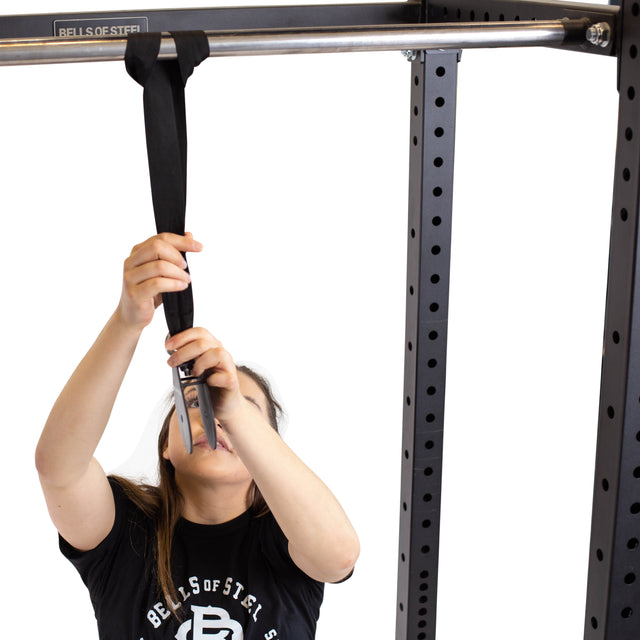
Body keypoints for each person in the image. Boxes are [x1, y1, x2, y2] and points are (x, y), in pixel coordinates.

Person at [35, 233, 359, 639]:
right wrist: (127, 321)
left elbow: (339, 557)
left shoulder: (287, 536)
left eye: (243, 412)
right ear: (167, 445)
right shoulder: (125, 533)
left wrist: (235, 411)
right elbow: (59, 468)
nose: (217, 417)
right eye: (197, 404)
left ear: (267, 454)